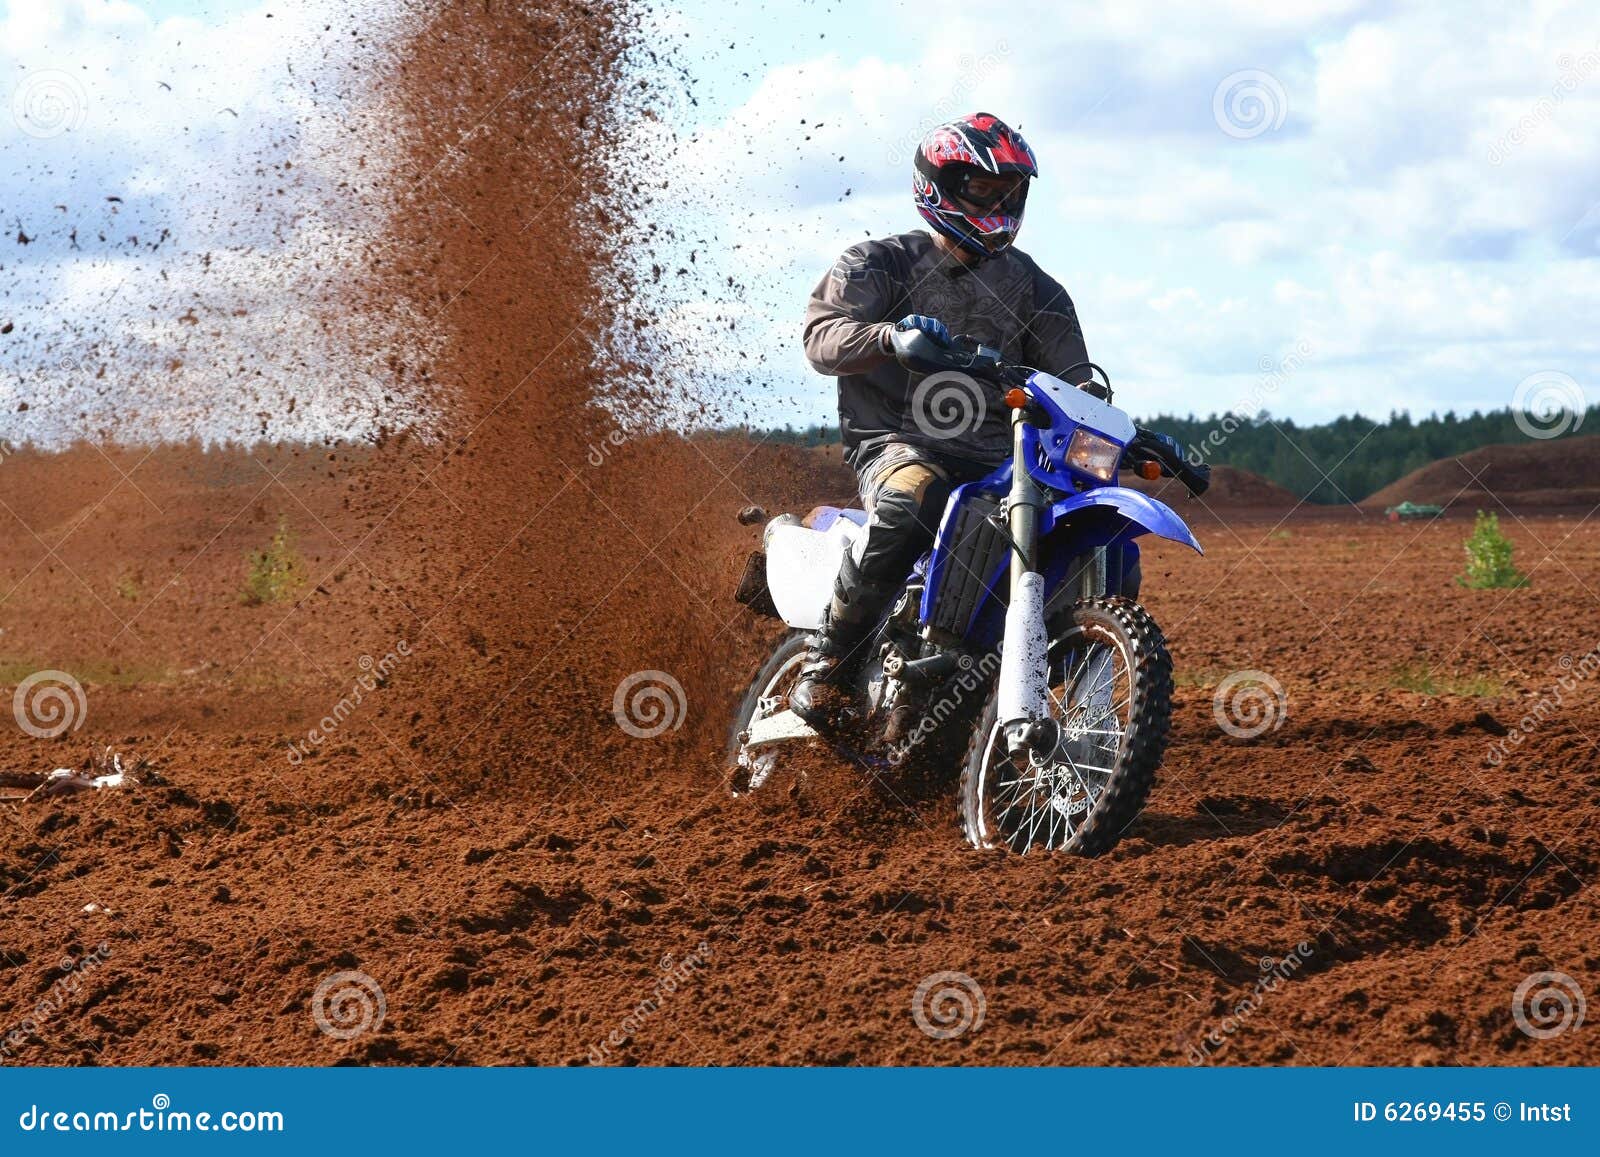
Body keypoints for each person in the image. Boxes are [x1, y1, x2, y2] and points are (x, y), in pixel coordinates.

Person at [790, 111, 1135, 728]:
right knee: (912, 497)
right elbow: (822, 338)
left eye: (1010, 192)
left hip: (1007, 463)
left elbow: (1076, 383)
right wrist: (889, 337)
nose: (998, 202)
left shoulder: (1040, 290)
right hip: (897, 444)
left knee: (1106, 535)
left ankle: (1073, 713)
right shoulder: (878, 263)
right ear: (940, 183)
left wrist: (1122, 435)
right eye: (983, 189)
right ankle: (829, 664)